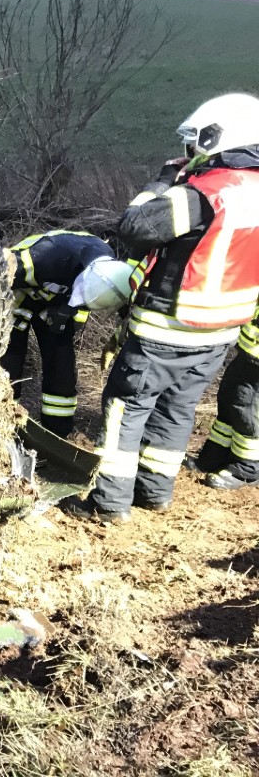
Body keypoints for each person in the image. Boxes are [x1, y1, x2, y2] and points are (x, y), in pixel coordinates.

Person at [64, 93, 259, 524]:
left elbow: (133, 228)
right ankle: (155, 492)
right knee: (178, 408)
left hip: (166, 327)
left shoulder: (203, 194)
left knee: (126, 407)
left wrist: (162, 182)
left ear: (218, 140)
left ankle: (108, 502)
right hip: (221, 332)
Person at [1, 231, 134, 437]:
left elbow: (102, 303)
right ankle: (0, 423)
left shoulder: (110, 274)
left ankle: (57, 431)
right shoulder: (46, 256)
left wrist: (68, 315)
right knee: (9, 359)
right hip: (17, 295)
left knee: (62, 362)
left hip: (58, 304)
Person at [186, 307, 259, 489]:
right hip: (250, 349)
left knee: (246, 405)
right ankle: (215, 457)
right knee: (229, 399)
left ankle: (247, 470)